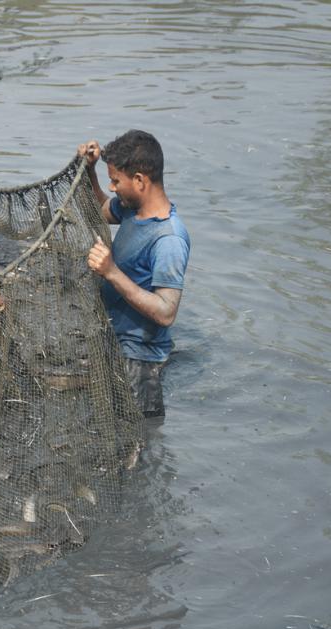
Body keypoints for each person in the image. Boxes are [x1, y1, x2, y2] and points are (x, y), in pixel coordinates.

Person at [78, 130, 190, 419]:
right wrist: (90, 169)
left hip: (140, 360)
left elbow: (166, 313)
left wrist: (111, 272)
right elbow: (101, 210)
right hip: (117, 340)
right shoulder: (133, 210)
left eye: (116, 181)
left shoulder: (169, 239)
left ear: (140, 180)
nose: (112, 188)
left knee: (140, 440)